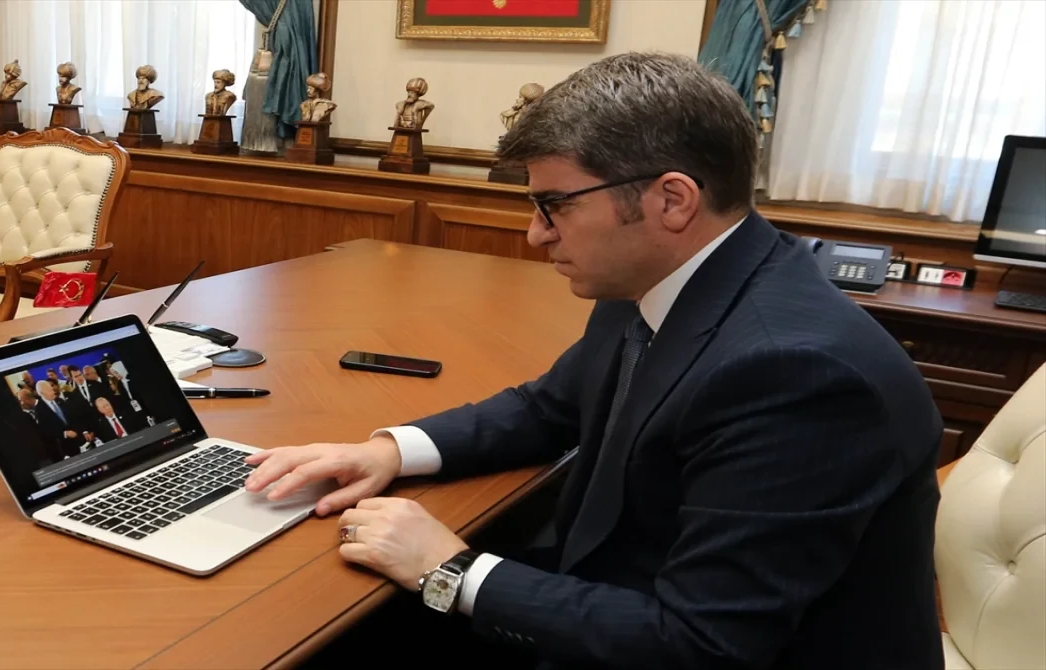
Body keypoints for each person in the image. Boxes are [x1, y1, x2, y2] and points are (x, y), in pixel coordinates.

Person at [247, 53, 944, 669]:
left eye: (554, 206)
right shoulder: (666, 274)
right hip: (625, 593)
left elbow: (702, 643)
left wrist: (451, 569)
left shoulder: (798, 374)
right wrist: (390, 452)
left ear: (671, 199)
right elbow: (550, 406)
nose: (533, 234)